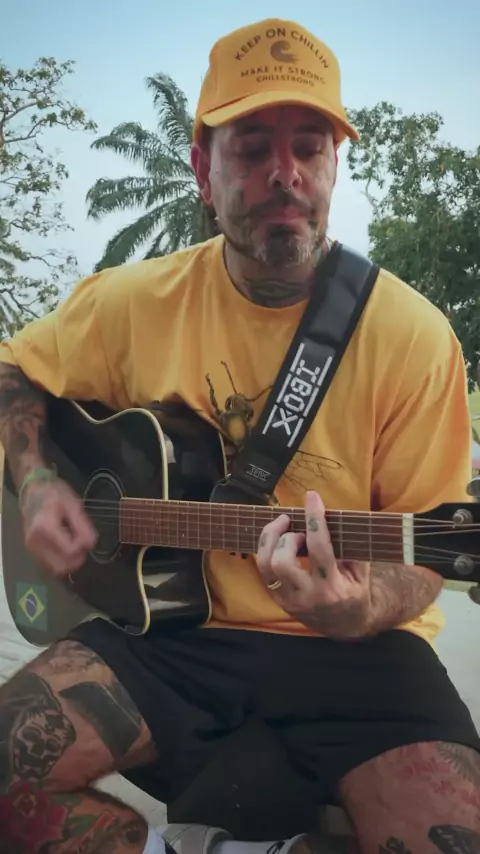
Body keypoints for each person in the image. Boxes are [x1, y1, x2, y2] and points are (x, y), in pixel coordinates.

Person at [0, 16, 478, 854]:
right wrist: (37, 476)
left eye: (309, 147)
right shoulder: (127, 303)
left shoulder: (414, 336)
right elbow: (14, 370)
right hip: (167, 639)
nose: (284, 173)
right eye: (252, 148)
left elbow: (426, 551)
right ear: (202, 170)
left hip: (363, 657)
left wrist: (362, 605)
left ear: (334, 166)